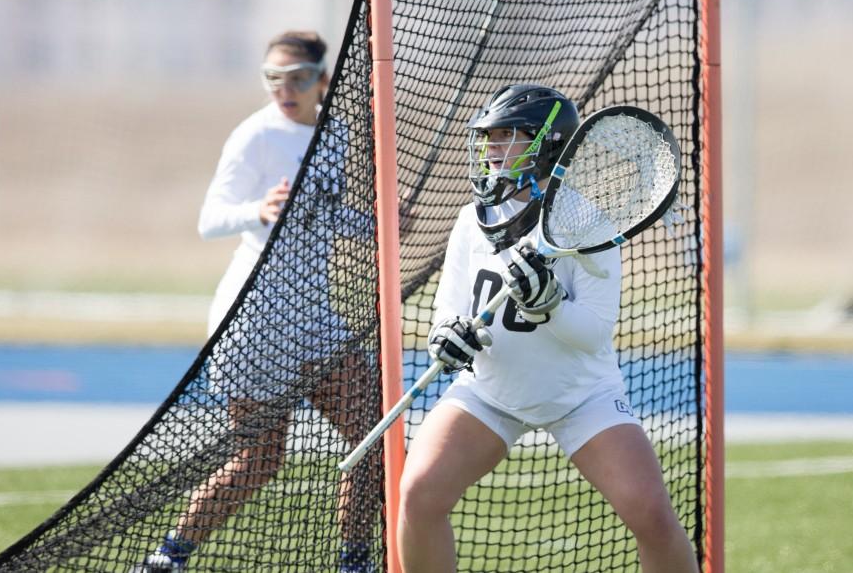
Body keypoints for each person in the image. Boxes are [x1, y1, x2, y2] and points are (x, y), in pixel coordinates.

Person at [397, 84, 700, 573]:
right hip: (489, 392)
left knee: (652, 516)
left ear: (545, 144)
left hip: (581, 396)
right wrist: (446, 336)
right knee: (418, 495)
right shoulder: (471, 221)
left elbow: (594, 334)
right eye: (488, 137)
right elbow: (448, 308)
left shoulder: (588, 225)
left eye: (505, 136)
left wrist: (550, 304)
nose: (491, 149)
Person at [139, 31, 378, 573]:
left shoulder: (334, 133)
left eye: (296, 78)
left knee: (373, 435)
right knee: (261, 458)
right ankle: (167, 558)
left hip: (315, 314)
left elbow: (321, 214)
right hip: (257, 319)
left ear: (322, 79)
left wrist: (376, 225)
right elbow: (210, 220)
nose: (284, 90)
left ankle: (354, 561)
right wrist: (257, 210)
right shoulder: (255, 136)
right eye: (273, 79)